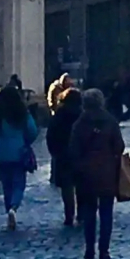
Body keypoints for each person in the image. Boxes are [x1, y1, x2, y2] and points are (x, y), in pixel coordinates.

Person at [69, 89, 126, 259]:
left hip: (86, 173)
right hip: (107, 172)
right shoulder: (110, 121)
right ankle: (104, 250)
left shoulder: (80, 124)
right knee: (106, 212)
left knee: (88, 212)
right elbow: (119, 146)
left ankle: (89, 248)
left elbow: (73, 149)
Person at [0, 84, 39, 230]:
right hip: (19, 152)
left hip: (3, 153)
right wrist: (26, 141)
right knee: (19, 183)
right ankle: (14, 207)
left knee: (6, 185)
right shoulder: (22, 113)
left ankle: (8, 206)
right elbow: (33, 131)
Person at [46, 87, 82, 227]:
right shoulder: (83, 115)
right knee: (81, 185)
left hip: (63, 156)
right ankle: (82, 213)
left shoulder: (58, 116)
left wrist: (55, 153)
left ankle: (69, 215)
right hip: (80, 155)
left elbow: (51, 136)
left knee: (67, 188)